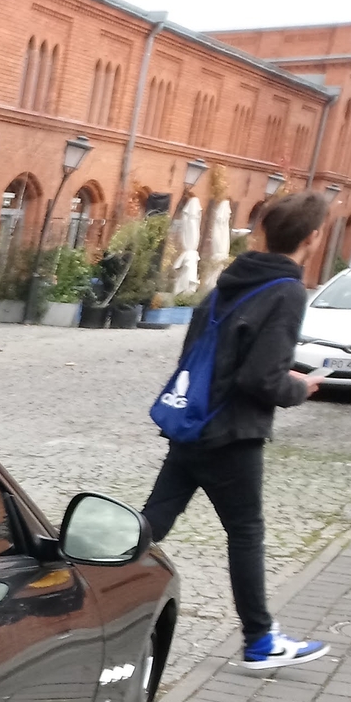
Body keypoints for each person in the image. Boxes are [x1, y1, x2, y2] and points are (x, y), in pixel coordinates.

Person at [142, 187, 330, 671]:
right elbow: (259, 378)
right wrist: (298, 387)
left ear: (264, 231)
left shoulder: (230, 281)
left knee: (152, 523)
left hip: (192, 422)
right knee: (245, 532)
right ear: (313, 237)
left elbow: (195, 354)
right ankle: (260, 641)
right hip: (231, 434)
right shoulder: (287, 290)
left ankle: (63, 576)